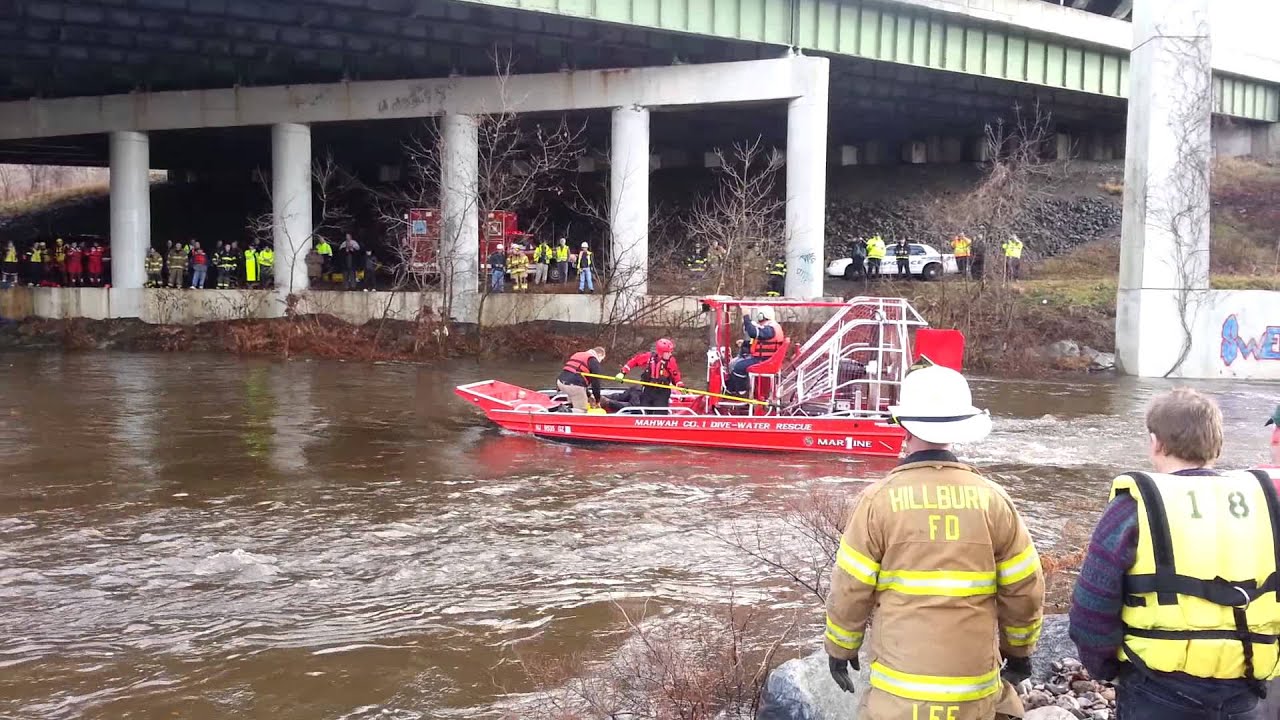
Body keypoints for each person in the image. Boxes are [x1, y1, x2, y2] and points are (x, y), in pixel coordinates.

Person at [826, 365, 1044, 720]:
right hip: (974, 696)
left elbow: (850, 588)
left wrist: (840, 648)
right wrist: (1019, 652)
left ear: (905, 427)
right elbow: (1025, 589)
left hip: (896, 699)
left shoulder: (877, 502)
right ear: (960, 429)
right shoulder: (993, 500)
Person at [1069, 388, 1280, 720]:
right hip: (1247, 690)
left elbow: (1091, 609)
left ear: (1155, 443)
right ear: (1218, 444)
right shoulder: (1264, 505)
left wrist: (1106, 670)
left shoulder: (1133, 507)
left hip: (1156, 690)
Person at [726, 306, 785, 396]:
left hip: (764, 360)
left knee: (739, 367)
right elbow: (763, 344)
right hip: (765, 358)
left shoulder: (770, 329)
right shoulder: (771, 328)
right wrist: (745, 343)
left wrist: (746, 316)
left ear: (762, 316)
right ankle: (731, 389)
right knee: (734, 363)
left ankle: (741, 391)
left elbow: (753, 333)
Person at [613, 338, 684, 408]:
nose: (670, 354)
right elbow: (634, 361)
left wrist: (680, 386)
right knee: (644, 408)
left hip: (662, 392)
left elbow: (676, 376)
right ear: (661, 353)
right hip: (648, 389)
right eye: (668, 352)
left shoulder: (671, 361)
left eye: (670, 352)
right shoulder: (648, 357)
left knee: (660, 410)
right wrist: (623, 373)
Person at [557, 347, 606, 412]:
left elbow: (576, 377)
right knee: (582, 410)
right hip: (574, 386)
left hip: (560, 382)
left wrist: (589, 396)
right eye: (601, 359)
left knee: (573, 401)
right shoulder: (594, 361)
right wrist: (597, 401)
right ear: (600, 355)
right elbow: (596, 383)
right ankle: (565, 411)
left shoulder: (578, 354)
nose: (600, 361)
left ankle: (568, 408)